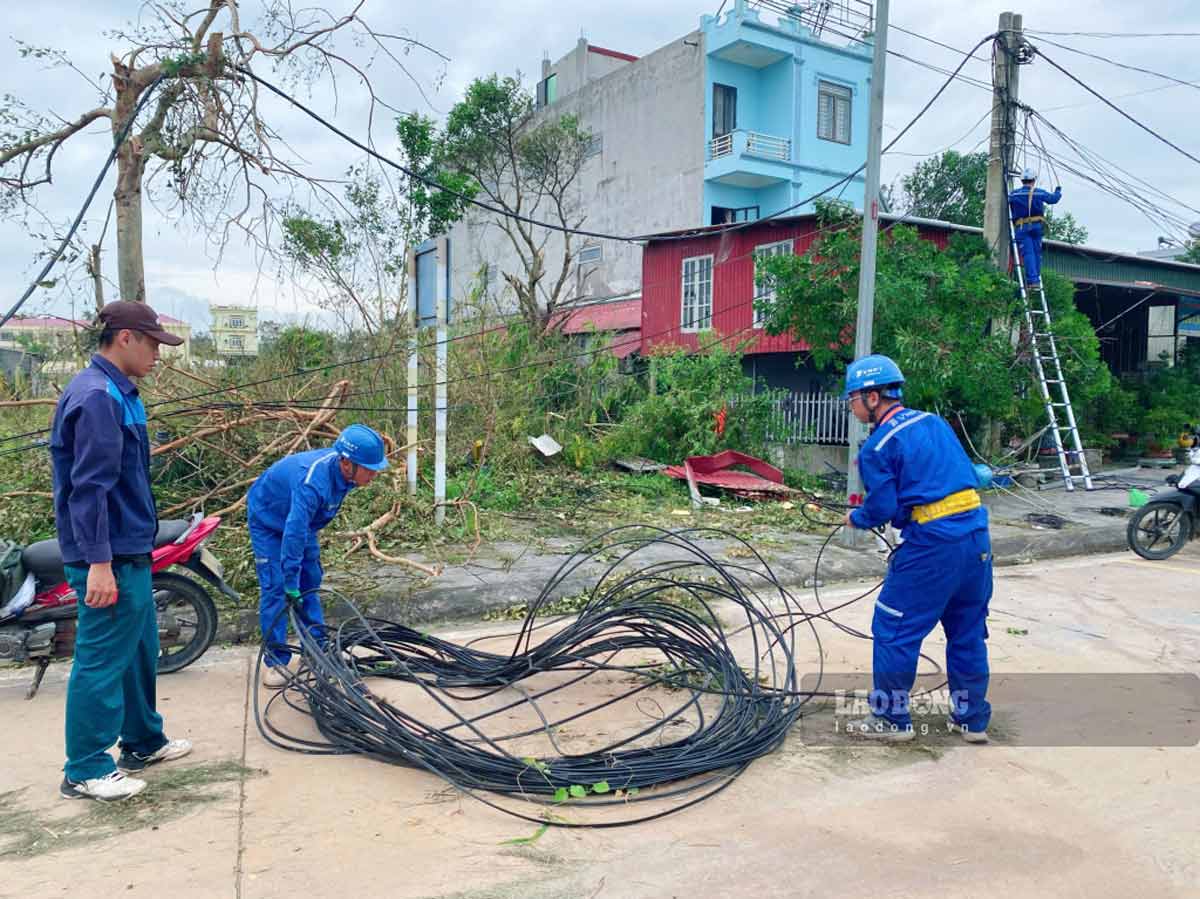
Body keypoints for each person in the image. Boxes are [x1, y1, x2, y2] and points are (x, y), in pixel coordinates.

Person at [50, 301, 194, 802]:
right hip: (107, 556)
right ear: (126, 338)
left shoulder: (120, 392)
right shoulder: (97, 397)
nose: (158, 353)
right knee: (102, 659)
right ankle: (85, 768)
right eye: (153, 343)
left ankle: (142, 741)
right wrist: (99, 564)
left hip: (130, 549)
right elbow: (89, 489)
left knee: (138, 650)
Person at [841, 355, 992, 744]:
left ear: (873, 397)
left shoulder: (877, 446)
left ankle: (891, 720)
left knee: (893, 628)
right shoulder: (935, 423)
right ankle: (972, 721)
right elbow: (967, 475)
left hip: (932, 547)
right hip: (976, 537)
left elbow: (882, 508)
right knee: (967, 631)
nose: (851, 407)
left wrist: (857, 518)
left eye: (852, 399)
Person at [246, 424, 389, 687]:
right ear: (346, 463)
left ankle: (316, 650)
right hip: (268, 521)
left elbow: (302, 527)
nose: (374, 475)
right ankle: (276, 662)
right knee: (276, 588)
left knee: (310, 582)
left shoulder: (346, 474)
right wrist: (290, 580)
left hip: (302, 523)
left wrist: (300, 577)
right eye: (370, 469)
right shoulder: (312, 483)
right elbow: (293, 533)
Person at [1008, 168, 1062, 288]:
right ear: (1033, 180)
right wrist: (1058, 191)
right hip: (1037, 226)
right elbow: (1053, 199)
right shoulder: (1039, 192)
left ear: (1022, 180)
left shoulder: (1014, 194)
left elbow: (1007, 201)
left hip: (1022, 227)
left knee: (1028, 253)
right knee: (1036, 253)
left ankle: (1032, 280)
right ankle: (1036, 279)